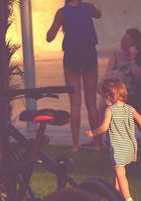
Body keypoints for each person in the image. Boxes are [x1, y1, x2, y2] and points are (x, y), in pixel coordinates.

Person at [86, 79, 141, 201]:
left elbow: (104, 127)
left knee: (121, 174)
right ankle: (114, 195)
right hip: (129, 145)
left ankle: (128, 199)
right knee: (117, 171)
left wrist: (93, 133)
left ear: (107, 96)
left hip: (118, 146)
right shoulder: (130, 108)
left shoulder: (110, 110)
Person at [46, 0, 101, 152]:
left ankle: (75, 144)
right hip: (89, 53)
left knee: (75, 103)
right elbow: (99, 14)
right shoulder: (88, 7)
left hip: (72, 55)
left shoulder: (62, 13)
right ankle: (97, 143)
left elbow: (49, 37)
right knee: (91, 102)